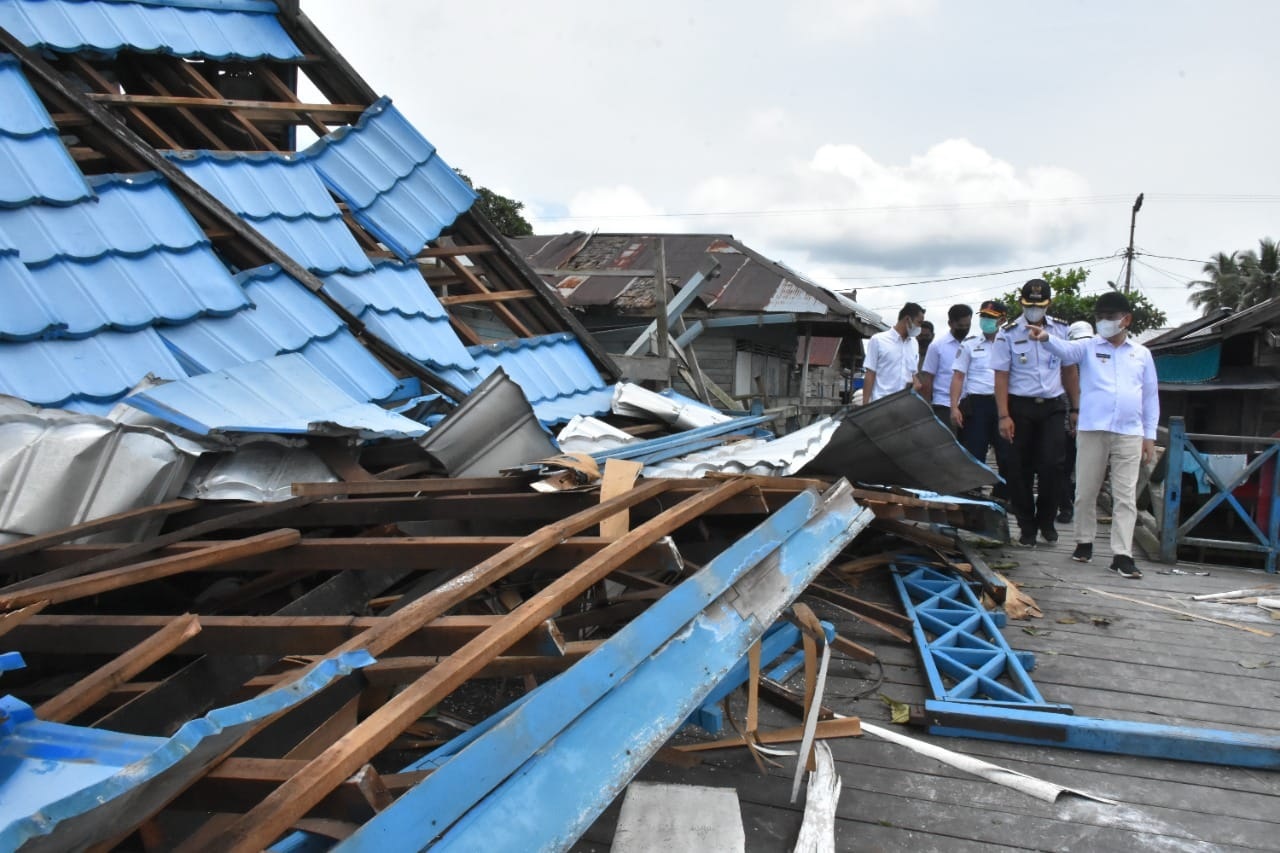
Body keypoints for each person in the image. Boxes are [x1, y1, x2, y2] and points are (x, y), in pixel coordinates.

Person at [1028, 291, 1159, 579]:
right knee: (1086, 489)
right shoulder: (1087, 347)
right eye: (1099, 318)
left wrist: (1149, 435)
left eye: (1110, 318)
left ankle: (1122, 554)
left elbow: (1150, 397)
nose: (1104, 323)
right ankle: (1084, 541)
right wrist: (1046, 338)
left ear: (1126, 320)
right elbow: (1065, 350)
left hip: (1129, 431)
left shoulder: (1141, 355)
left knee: (1126, 495)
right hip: (1092, 428)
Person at [992, 279, 1080, 547]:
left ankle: (1046, 520)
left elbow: (1069, 370)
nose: (1033, 309)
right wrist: (1003, 415)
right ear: (1021, 303)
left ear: (1048, 304)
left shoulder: (1061, 330)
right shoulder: (1007, 333)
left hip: (1053, 406)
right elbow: (1001, 377)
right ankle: (1026, 525)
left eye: (1039, 305)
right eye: (1028, 304)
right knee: (1019, 469)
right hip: (1020, 406)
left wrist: (1076, 408)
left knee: (1053, 466)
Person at [950, 300, 1010, 490]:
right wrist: (954, 407)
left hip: (1005, 405)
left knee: (1007, 453)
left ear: (1002, 319)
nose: (986, 321)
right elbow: (958, 376)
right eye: (983, 316)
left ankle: (1003, 495)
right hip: (977, 405)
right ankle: (973, 495)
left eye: (991, 318)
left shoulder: (1011, 342)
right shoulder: (970, 344)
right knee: (974, 453)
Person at [1057, 320, 1096, 524]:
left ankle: (1077, 505)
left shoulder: (1099, 363)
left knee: (1085, 470)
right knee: (1063, 467)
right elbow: (1063, 394)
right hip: (1068, 423)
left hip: (1091, 427)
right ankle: (1065, 506)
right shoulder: (1065, 361)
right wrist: (1072, 422)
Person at [919, 304, 973, 428]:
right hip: (943, 405)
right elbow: (928, 380)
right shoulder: (937, 346)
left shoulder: (971, 345)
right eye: (960, 326)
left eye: (967, 326)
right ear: (950, 323)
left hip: (968, 406)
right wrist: (928, 410)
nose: (964, 329)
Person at [862, 303, 925, 405]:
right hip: (881, 404)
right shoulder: (878, 340)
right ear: (908, 319)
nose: (919, 327)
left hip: (904, 405)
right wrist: (865, 406)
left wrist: (916, 383)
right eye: (919, 323)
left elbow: (913, 373)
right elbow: (870, 374)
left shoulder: (914, 344)